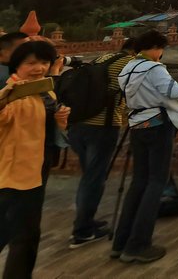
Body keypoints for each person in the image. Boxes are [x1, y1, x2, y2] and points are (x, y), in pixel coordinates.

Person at [112, 30, 178, 263]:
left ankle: (120, 243)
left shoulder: (128, 68)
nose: (161, 54)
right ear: (157, 47)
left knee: (139, 182)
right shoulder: (155, 68)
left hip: (137, 125)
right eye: (161, 49)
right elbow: (173, 91)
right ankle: (138, 244)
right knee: (156, 183)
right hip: (157, 126)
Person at [0, 40, 69, 278]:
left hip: (37, 169)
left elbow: (45, 126)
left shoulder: (44, 89)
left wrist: (60, 118)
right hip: (13, 174)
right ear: (16, 65)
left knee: (25, 234)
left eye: (44, 62)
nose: (39, 67)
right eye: (31, 63)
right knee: (22, 234)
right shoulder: (12, 92)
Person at [68, 38, 136, 248]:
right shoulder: (129, 63)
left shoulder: (101, 58)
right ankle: (82, 231)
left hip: (78, 124)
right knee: (94, 178)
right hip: (102, 126)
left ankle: (85, 221)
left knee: (90, 176)